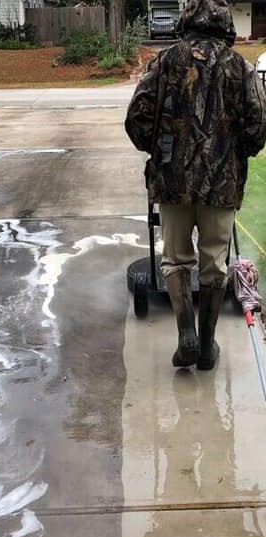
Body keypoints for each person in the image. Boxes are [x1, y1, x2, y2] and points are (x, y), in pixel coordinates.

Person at [125, 0, 266, 370]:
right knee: (215, 264)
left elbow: (137, 117)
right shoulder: (240, 66)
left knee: (174, 260)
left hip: (172, 181)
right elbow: (258, 124)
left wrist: (158, 150)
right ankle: (206, 345)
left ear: (186, 23)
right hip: (222, 184)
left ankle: (184, 332)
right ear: (225, 25)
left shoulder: (166, 61)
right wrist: (238, 155)